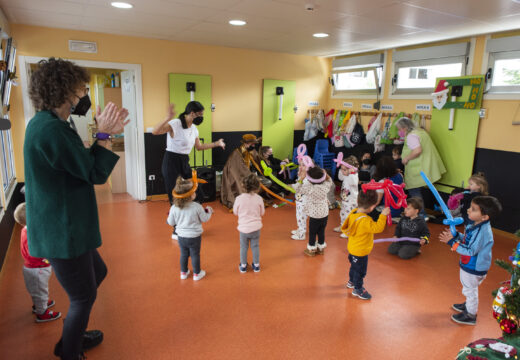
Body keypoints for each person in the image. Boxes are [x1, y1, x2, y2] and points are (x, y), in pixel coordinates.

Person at [24, 57, 130, 359]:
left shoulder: (52, 123)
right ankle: (69, 350)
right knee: (84, 296)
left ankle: (73, 331)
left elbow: (80, 164)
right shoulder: (50, 130)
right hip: (62, 230)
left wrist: (101, 136)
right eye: (81, 88)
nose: (84, 93)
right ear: (64, 91)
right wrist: (105, 134)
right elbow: (95, 173)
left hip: (65, 225)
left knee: (98, 272)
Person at [439, 196, 502, 325]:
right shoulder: (475, 224)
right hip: (470, 264)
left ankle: (470, 315)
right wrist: (457, 236)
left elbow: (471, 250)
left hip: (474, 267)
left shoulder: (483, 232)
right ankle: (469, 304)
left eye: (473, 209)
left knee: (470, 290)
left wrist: (452, 243)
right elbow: (468, 240)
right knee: (468, 288)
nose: (468, 210)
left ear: (484, 217)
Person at [152, 102, 225, 206]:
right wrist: (167, 117)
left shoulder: (194, 128)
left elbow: (199, 147)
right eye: (200, 114)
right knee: (174, 194)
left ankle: (195, 214)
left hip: (184, 161)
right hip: (171, 161)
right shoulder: (176, 123)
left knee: (197, 191)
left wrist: (216, 143)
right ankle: (177, 219)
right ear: (192, 113)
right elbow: (155, 131)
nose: (202, 117)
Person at [14, 202, 61, 323]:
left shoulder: (25, 230)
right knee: (40, 290)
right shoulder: (31, 234)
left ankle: (40, 303)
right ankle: (42, 313)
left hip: (35, 268)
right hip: (37, 269)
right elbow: (35, 253)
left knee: (38, 290)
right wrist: (48, 257)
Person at [341, 190, 390, 300]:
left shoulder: (354, 212)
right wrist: (383, 215)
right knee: (360, 271)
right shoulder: (366, 221)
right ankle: (357, 289)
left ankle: (351, 281)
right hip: (361, 252)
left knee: (354, 267)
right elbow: (378, 228)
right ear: (372, 207)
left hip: (352, 248)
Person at [397, 117, 446, 219]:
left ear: (405, 127)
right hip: (426, 166)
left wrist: (406, 158)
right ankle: (423, 213)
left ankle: (421, 214)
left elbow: (417, 150)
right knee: (419, 190)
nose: (399, 132)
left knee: (414, 191)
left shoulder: (411, 136)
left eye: (399, 129)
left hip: (417, 168)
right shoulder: (420, 132)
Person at [167, 176, 213, 281]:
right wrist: (209, 211)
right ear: (190, 195)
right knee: (195, 255)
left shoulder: (174, 207)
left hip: (181, 237)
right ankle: (197, 274)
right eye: (194, 191)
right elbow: (204, 219)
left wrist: (169, 217)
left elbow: (170, 222)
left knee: (184, 254)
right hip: (194, 237)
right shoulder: (197, 206)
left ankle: (183, 272)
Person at [293, 165, 333, 256]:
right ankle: (321, 248)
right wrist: (325, 174)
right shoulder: (326, 185)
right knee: (321, 231)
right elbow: (329, 180)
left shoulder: (309, 188)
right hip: (324, 214)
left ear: (309, 180)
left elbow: (297, 188)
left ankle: (311, 250)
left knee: (312, 233)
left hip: (314, 216)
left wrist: (301, 178)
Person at [233, 174, 265, 273]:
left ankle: (243, 266)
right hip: (256, 228)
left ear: (243, 185)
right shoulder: (259, 198)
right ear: (257, 186)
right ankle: (256, 265)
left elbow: (235, 212)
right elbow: (262, 212)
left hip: (243, 229)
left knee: (244, 247)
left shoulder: (239, 198)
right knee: (255, 246)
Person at [220, 134, 262, 209]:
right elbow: (237, 169)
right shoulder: (236, 153)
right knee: (244, 184)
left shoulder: (251, 150)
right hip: (233, 174)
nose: (254, 146)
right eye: (252, 144)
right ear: (245, 143)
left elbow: (258, 160)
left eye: (254, 144)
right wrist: (251, 176)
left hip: (246, 173)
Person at [333, 155, 359, 238]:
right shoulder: (345, 174)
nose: (343, 171)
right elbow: (340, 177)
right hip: (345, 200)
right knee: (343, 214)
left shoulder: (354, 175)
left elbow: (353, 183)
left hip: (351, 201)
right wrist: (341, 168)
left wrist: (351, 172)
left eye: (344, 170)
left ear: (351, 169)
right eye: (342, 169)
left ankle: (349, 231)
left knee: (349, 216)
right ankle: (342, 226)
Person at [373, 155, 404, 222]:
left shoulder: (383, 182)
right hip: (400, 208)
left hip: (389, 211)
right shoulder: (400, 175)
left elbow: (377, 202)